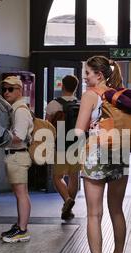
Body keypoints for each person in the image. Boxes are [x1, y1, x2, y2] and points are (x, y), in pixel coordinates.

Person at [75, 56, 130, 253]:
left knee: (94, 214)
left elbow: (78, 131)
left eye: (87, 73)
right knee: (116, 210)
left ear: (98, 75)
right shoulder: (120, 96)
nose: (85, 77)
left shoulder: (90, 95)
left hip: (96, 155)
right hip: (119, 153)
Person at [0, 76, 34, 243]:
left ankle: (22, 229)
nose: (6, 92)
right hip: (16, 156)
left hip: (18, 155)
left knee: (21, 194)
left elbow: (18, 137)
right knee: (20, 193)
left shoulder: (20, 110)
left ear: (19, 90)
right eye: (4, 89)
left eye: (11, 89)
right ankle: (20, 225)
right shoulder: (15, 108)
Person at [45, 75, 81, 220]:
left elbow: (46, 125)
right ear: (76, 88)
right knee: (74, 176)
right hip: (77, 143)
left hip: (60, 143)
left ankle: (67, 200)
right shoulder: (80, 103)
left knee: (57, 177)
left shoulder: (54, 104)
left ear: (62, 86)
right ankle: (68, 211)